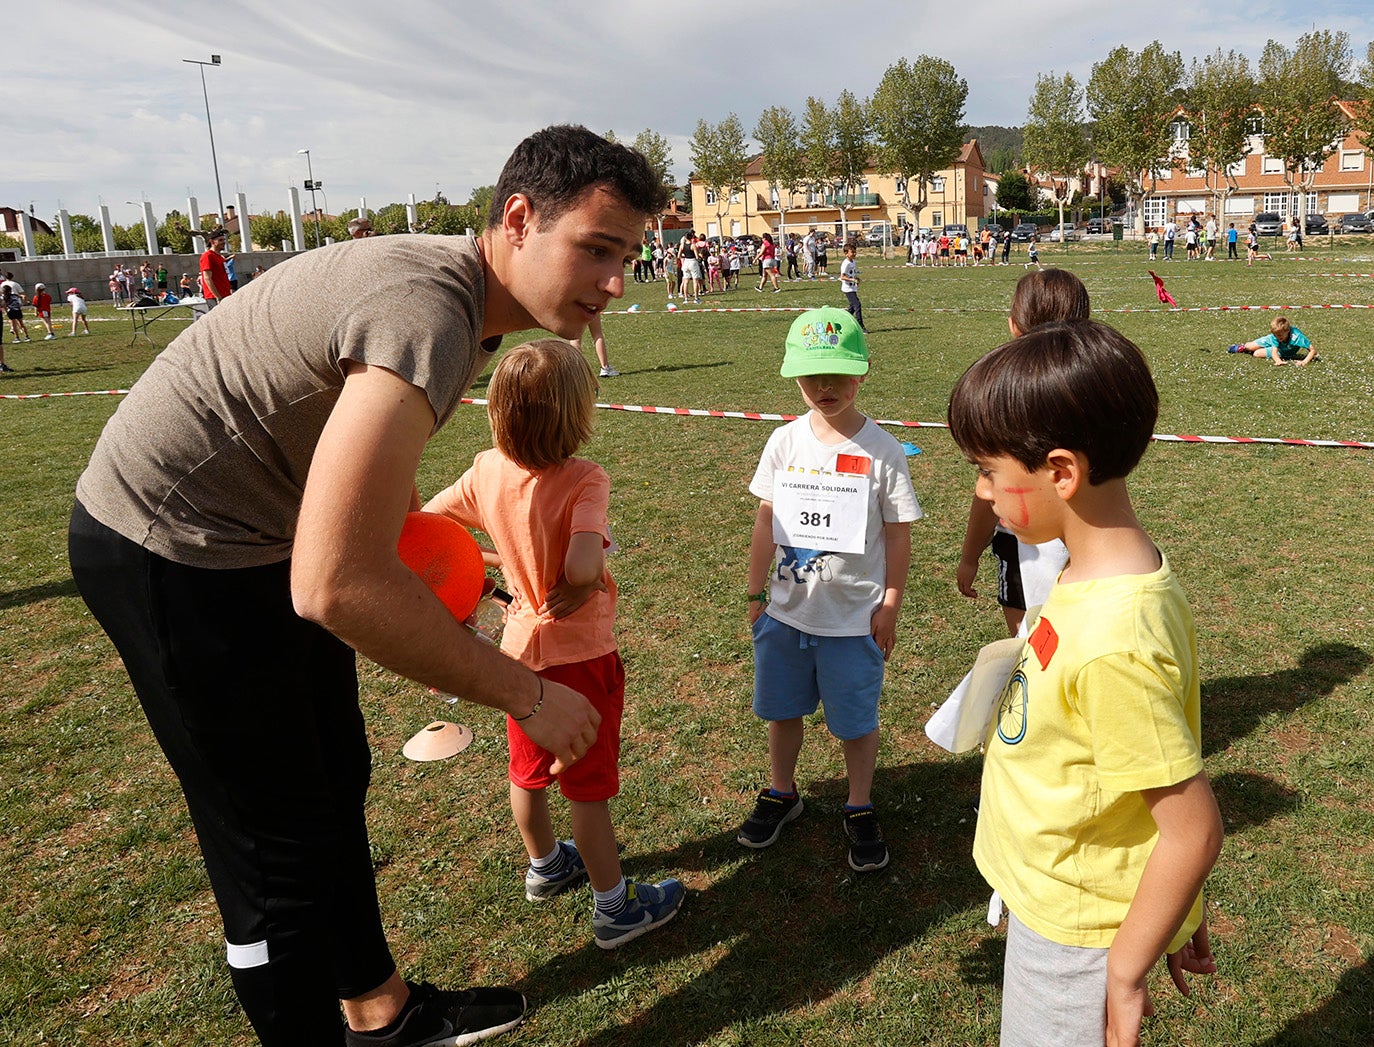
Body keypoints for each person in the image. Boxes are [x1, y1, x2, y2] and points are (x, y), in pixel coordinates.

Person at [67, 124, 665, 1047]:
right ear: (517, 219)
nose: (616, 280)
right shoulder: (431, 312)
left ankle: (380, 1011)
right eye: (596, 247)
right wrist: (524, 690)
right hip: (171, 549)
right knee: (274, 854)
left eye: (627, 254)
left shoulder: (460, 305)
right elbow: (336, 583)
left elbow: (357, 528)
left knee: (332, 776)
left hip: (256, 539)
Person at [947, 319, 1223, 1047]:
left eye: (987, 470)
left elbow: (1191, 829)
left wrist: (1126, 967)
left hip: (1077, 935)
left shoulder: (1113, 638)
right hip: (1059, 894)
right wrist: (1177, 908)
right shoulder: (1103, 569)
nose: (982, 490)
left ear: (1061, 472)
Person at [423, 339, 684, 950]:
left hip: (515, 656)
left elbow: (431, 526)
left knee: (528, 771)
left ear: (497, 412)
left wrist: (496, 568)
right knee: (587, 788)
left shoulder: (486, 468)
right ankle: (615, 908)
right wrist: (569, 580)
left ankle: (544, 865)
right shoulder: (585, 478)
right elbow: (586, 566)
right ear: (576, 414)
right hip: (580, 656)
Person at [739, 307, 921, 873]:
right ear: (795, 376)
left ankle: (859, 804)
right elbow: (766, 520)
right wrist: (754, 596)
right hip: (786, 614)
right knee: (782, 710)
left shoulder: (884, 451)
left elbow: (897, 535)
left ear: (862, 373)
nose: (826, 387)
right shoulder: (784, 442)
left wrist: (889, 603)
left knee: (854, 720)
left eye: (839, 374)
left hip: (852, 620)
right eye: (814, 375)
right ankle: (781, 790)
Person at [956, 269, 1085, 637]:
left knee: (1028, 645)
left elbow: (989, 492)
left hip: (1032, 541)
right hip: (1093, 542)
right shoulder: (1097, 390)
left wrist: (969, 555)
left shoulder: (1002, 399)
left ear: (1013, 326)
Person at [1227, 315, 1317, 366]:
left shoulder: (1297, 337)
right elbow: (1274, 351)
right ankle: (1243, 347)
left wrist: (1304, 362)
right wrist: (1278, 360)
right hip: (1271, 341)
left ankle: (1252, 351)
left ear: (1288, 330)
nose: (1278, 337)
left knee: (1256, 354)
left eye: (1280, 335)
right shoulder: (1275, 336)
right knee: (1249, 346)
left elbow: (1312, 350)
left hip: (1284, 351)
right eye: (1276, 335)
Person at [198, 228, 233, 307]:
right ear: (212, 242)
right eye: (220, 240)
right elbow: (207, 278)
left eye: (224, 240)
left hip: (225, 295)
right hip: (214, 297)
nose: (223, 242)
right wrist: (218, 297)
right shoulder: (207, 256)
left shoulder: (220, 257)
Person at [838, 243, 865, 333]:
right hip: (847, 288)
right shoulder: (845, 264)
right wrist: (852, 280)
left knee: (852, 308)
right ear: (846, 253)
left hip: (853, 287)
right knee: (857, 305)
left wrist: (856, 278)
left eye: (855, 252)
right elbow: (842, 276)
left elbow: (852, 273)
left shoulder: (853, 262)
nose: (854, 254)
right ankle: (860, 326)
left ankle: (842, 322)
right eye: (852, 252)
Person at [585, 311, 618, 377]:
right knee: (597, 334)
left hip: (574, 307)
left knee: (575, 338)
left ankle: (577, 369)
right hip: (591, 306)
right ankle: (605, 367)